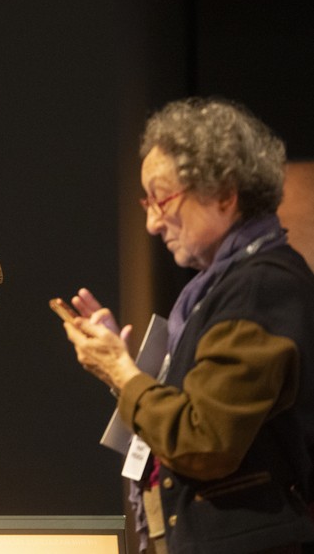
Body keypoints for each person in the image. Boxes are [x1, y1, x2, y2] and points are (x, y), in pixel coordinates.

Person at [61, 98, 314, 554]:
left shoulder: (259, 286)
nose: (152, 223)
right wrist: (126, 375)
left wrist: (123, 373)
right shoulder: (220, 287)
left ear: (224, 193)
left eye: (161, 199)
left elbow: (204, 441)